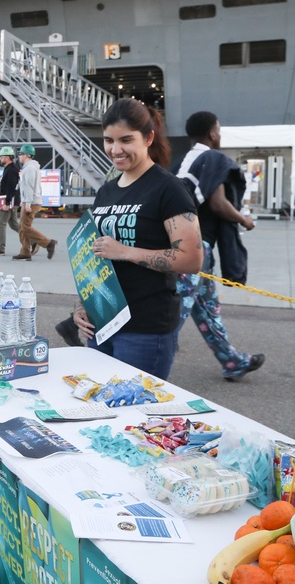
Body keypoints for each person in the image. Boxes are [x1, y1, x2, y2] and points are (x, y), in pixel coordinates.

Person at [70, 99, 202, 379]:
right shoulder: (106, 192)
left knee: (135, 417)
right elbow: (96, 255)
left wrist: (126, 251)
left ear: (149, 137)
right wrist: (82, 305)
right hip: (102, 322)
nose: (115, 150)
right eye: (108, 140)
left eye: (126, 140)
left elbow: (191, 258)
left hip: (144, 328)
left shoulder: (168, 188)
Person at [174, 111, 265, 381]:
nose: (221, 135)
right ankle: (140, 364)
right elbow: (218, 204)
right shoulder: (213, 159)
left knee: (206, 307)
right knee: (172, 313)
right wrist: (244, 220)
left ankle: (232, 361)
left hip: (183, 244)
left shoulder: (181, 162)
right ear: (213, 133)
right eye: (219, 130)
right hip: (194, 248)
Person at [13, 144, 57, 261]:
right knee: (22, 227)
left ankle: (48, 243)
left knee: (25, 228)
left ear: (26, 155)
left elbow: (29, 187)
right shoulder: (30, 168)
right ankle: (25, 251)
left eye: (21, 154)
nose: (19, 157)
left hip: (31, 202)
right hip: (30, 201)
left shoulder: (29, 169)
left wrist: (27, 204)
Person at [0, 145, 20, 255]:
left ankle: (0, 249)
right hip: (10, 201)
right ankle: (33, 241)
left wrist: (7, 203)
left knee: (1, 223)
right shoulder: (9, 169)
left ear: (7, 157)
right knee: (14, 224)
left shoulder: (11, 170)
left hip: (10, 202)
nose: (0, 159)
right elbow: (6, 188)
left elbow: (11, 187)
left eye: (1, 157)